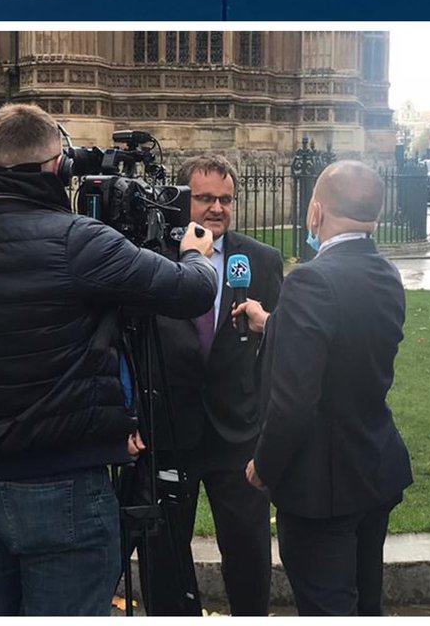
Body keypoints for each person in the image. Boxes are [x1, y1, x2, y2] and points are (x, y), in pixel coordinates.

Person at [0, 103, 218, 617]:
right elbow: (190, 291)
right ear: (59, 168)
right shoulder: (77, 243)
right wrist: (195, 250)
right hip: (59, 487)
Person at [247, 160, 413, 615]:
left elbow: (294, 402)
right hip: (373, 469)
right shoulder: (385, 274)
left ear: (315, 213)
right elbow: (345, 334)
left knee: (327, 607)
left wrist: (265, 465)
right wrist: (274, 323)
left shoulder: (310, 279)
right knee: (365, 602)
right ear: (375, 218)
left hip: (321, 486)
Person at [136, 154, 285, 616]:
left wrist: (266, 424)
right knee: (163, 560)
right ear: (183, 202)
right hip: (167, 433)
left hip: (236, 435)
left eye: (225, 199)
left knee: (248, 557)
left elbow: (280, 355)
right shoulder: (149, 260)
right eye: (204, 199)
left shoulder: (261, 261)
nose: (216, 208)